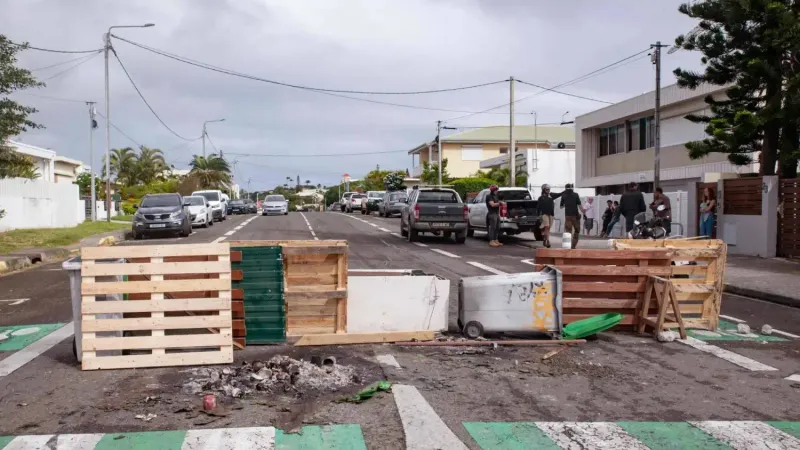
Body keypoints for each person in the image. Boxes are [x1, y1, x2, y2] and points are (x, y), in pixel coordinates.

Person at [536, 184, 563, 248]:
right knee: (547, 227)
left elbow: (559, 194)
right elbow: (538, 207)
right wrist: (538, 215)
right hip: (544, 214)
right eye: (547, 189)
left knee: (548, 228)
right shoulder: (541, 198)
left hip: (551, 215)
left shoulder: (551, 195)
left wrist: (566, 190)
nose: (548, 190)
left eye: (549, 189)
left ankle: (545, 238)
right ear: (543, 190)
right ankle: (548, 241)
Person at [559, 184, 584, 249]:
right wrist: (584, 212)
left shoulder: (563, 195)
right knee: (577, 231)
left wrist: (566, 204)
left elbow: (561, 206)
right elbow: (579, 205)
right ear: (572, 188)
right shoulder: (576, 195)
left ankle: (567, 246)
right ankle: (573, 246)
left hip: (568, 216)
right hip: (575, 216)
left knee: (568, 232)